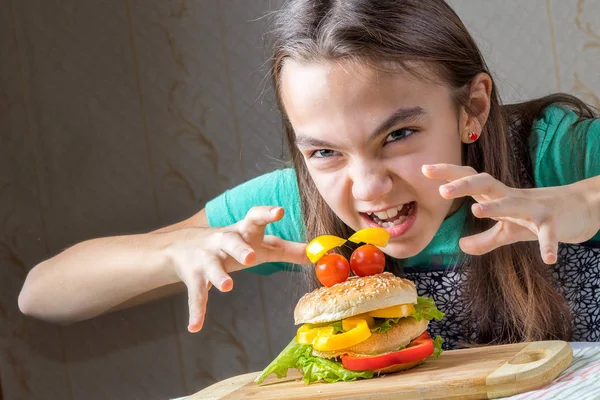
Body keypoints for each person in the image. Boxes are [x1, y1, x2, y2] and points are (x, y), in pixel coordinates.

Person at [18, 0, 600, 349]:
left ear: (471, 108)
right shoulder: (293, 208)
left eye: (397, 136)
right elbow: (41, 294)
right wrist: (174, 252)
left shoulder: (557, 154)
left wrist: (586, 199)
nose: (368, 188)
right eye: (325, 152)